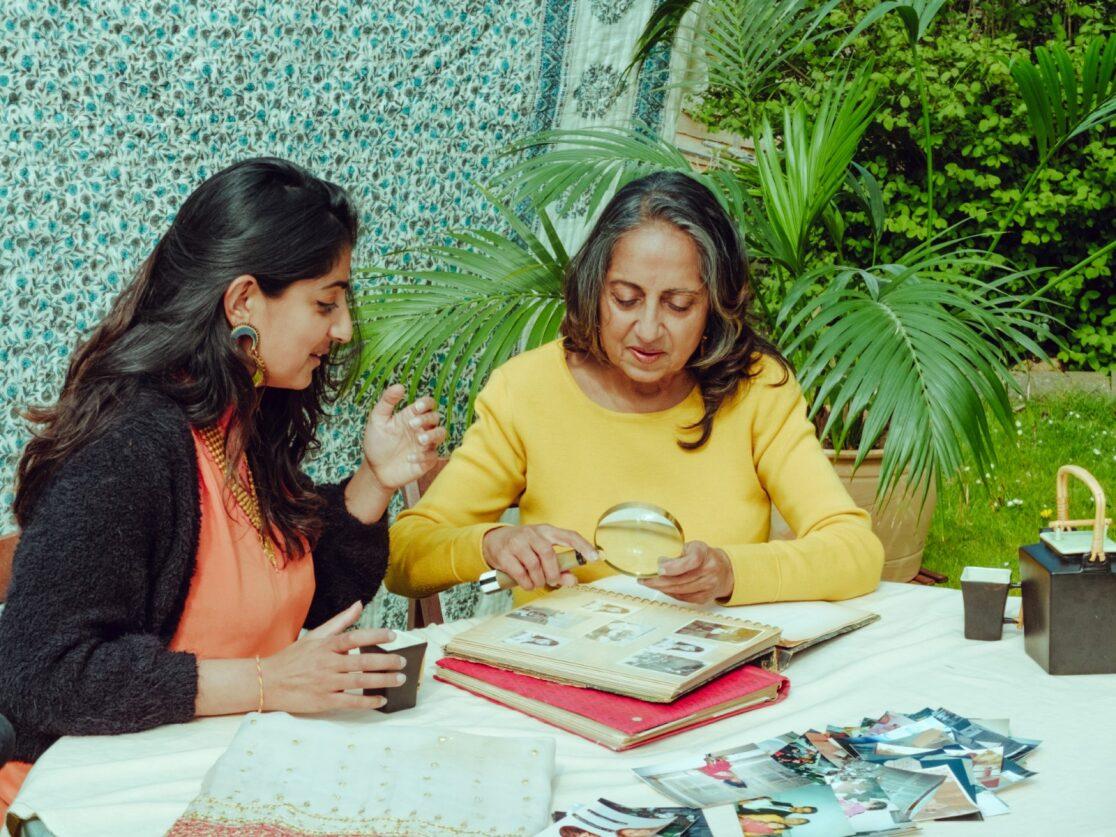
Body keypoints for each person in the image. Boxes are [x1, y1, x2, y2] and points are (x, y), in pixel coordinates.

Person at [0, 158, 445, 812]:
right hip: (98, 802)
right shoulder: (129, 450)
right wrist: (268, 681)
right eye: (325, 302)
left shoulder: (243, 421)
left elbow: (298, 597)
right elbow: (39, 674)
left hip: (221, 778)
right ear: (242, 302)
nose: (344, 328)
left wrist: (375, 480)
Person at [387, 171, 884, 606]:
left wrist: (731, 573)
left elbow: (855, 550)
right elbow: (405, 556)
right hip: (559, 677)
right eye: (626, 299)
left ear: (715, 304)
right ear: (595, 288)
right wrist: (491, 543)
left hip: (709, 676)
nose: (647, 330)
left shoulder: (756, 391)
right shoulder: (527, 390)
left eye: (678, 304)